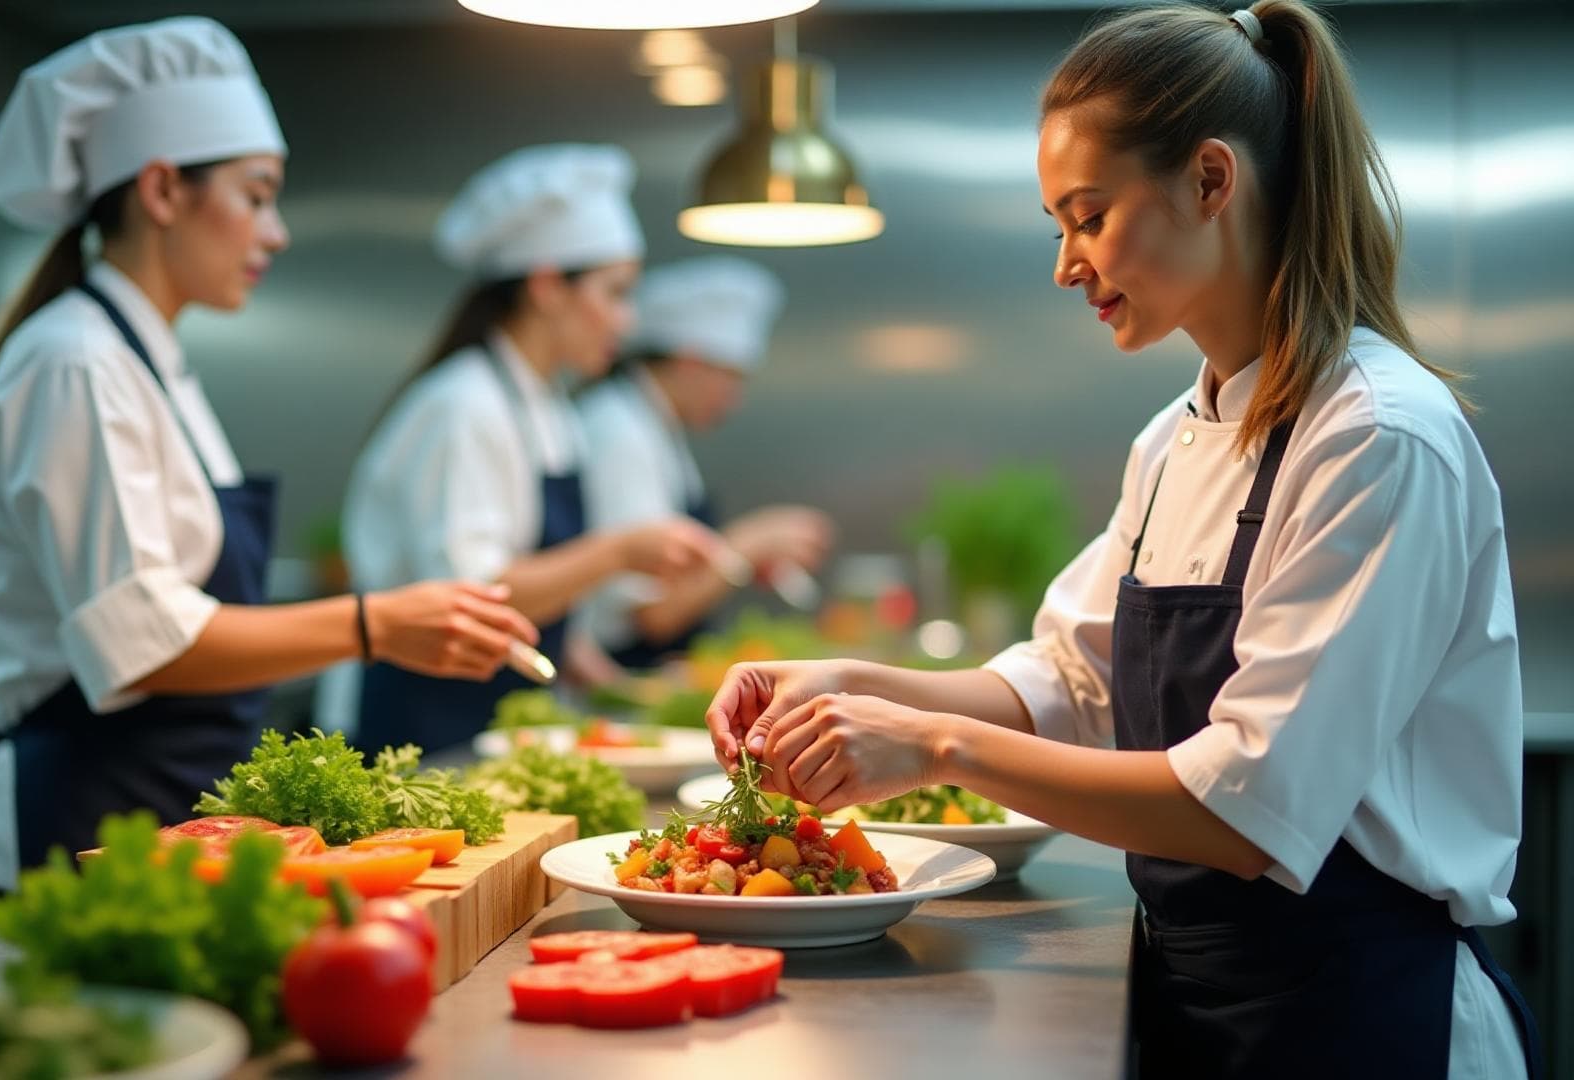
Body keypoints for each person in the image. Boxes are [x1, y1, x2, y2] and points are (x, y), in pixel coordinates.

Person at [703, 4, 1540, 1076]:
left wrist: (935, 747)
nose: (1067, 264)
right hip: (1205, 1002)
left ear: (1210, 180)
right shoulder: (1176, 436)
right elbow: (1072, 682)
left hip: (1367, 1018)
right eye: (1060, 226)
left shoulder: (1376, 438)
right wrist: (848, 684)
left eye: (1088, 217)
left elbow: (1250, 809)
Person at [0, 17, 536, 937]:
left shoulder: (146, 361)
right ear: (162, 190)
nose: (276, 233)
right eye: (256, 197)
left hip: (165, 811)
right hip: (75, 823)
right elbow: (147, 643)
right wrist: (375, 624)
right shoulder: (76, 361)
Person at [331, 144, 723, 753]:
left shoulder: (545, 405)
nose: (626, 322)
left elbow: (536, 593)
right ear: (546, 287)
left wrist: (610, 684)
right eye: (615, 293)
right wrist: (618, 552)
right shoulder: (465, 405)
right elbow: (470, 597)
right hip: (426, 721)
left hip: (499, 716)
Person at [577, 256, 833, 670]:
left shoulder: (654, 427)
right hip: (620, 672)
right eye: (732, 377)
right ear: (690, 361)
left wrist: (739, 560)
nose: (734, 399)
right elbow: (652, 615)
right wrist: (745, 547)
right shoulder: (620, 433)